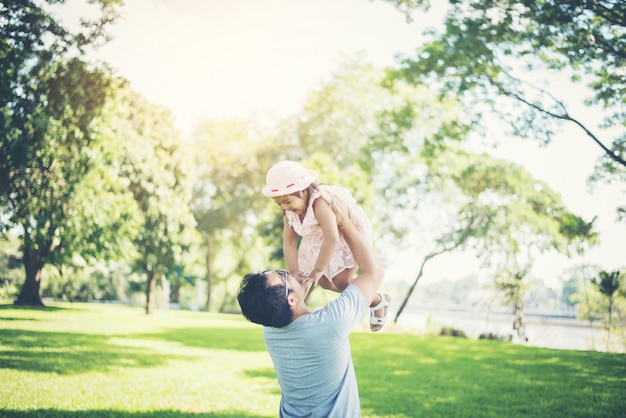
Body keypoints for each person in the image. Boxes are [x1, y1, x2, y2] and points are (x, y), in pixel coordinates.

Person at [237, 202, 387, 417]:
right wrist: (343, 223)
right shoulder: (330, 324)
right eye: (283, 274)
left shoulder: (271, 328)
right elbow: (374, 273)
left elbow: (294, 301)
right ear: (290, 300)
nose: (288, 271)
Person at [261, 160, 390, 331]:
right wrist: (295, 271)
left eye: (287, 201)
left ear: (303, 192)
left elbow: (332, 237)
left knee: (341, 281)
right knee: (323, 282)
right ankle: (293, 322)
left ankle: (377, 301)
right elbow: (289, 242)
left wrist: (317, 270)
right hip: (316, 242)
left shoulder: (319, 203)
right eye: (279, 204)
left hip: (339, 237)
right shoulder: (289, 212)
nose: (285, 207)